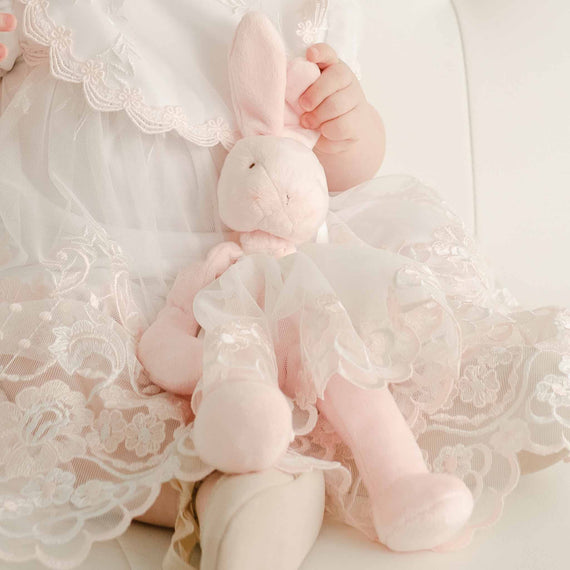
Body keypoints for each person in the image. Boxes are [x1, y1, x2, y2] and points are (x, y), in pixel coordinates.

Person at [0, 2, 568, 569]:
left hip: (292, 283)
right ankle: (242, 486)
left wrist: (349, 128)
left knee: (396, 367)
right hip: (123, 305)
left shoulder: (293, 16)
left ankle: (478, 426)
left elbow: (328, 173)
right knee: (111, 423)